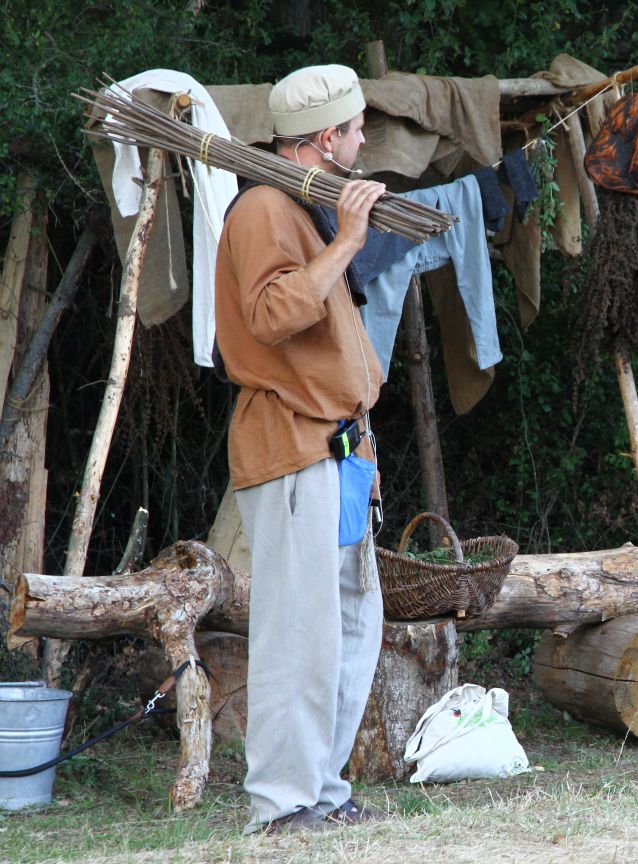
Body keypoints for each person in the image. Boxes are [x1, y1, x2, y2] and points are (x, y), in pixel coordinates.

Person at [214, 64, 390, 834]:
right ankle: (281, 805)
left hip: (340, 452)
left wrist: (367, 455)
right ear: (326, 138)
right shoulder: (263, 207)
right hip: (289, 446)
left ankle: (322, 789)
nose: (363, 142)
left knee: (350, 627)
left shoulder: (304, 208)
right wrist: (347, 241)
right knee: (297, 634)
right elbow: (271, 314)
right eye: (356, 130)